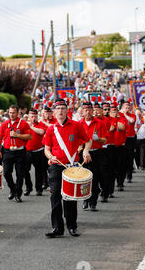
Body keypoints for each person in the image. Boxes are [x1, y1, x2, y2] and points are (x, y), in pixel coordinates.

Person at [43, 99, 92, 238]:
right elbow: (46, 149)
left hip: (72, 166)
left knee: (70, 197)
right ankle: (57, 228)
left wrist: (86, 151)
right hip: (56, 167)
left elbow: (87, 140)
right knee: (55, 197)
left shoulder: (76, 125)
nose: (60, 111)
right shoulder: (51, 128)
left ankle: (72, 226)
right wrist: (51, 156)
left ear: (67, 110)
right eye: (57, 108)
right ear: (54, 112)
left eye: (63, 108)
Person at [0, 105, 32, 203]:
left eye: (13, 112)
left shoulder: (23, 123)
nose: (12, 114)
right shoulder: (4, 124)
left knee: (20, 174)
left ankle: (18, 194)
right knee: (6, 173)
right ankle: (12, 189)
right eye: (10, 112)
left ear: (17, 113)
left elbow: (29, 136)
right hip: (8, 151)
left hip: (20, 151)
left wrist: (17, 135)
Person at [79, 101, 107, 211]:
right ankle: (85, 199)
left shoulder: (100, 123)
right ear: (82, 111)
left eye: (90, 110)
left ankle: (93, 202)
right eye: (85, 110)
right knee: (84, 178)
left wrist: (98, 139)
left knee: (95, 178)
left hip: (96, 152)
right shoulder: (78, 124)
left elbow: (104, 140)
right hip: (83, 153)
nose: (88, 112)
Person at [24, 107, 47, 196]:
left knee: (39, 171)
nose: (34, 118)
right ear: (28, 117)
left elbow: (41, 132)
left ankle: (39, 189)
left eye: (35, 116)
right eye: (32, 116)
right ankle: (28, 187)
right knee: (25, 171)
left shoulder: (40, 124)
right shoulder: (24, 124)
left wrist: (31, 127)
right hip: (27, 151)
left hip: (38, 151)